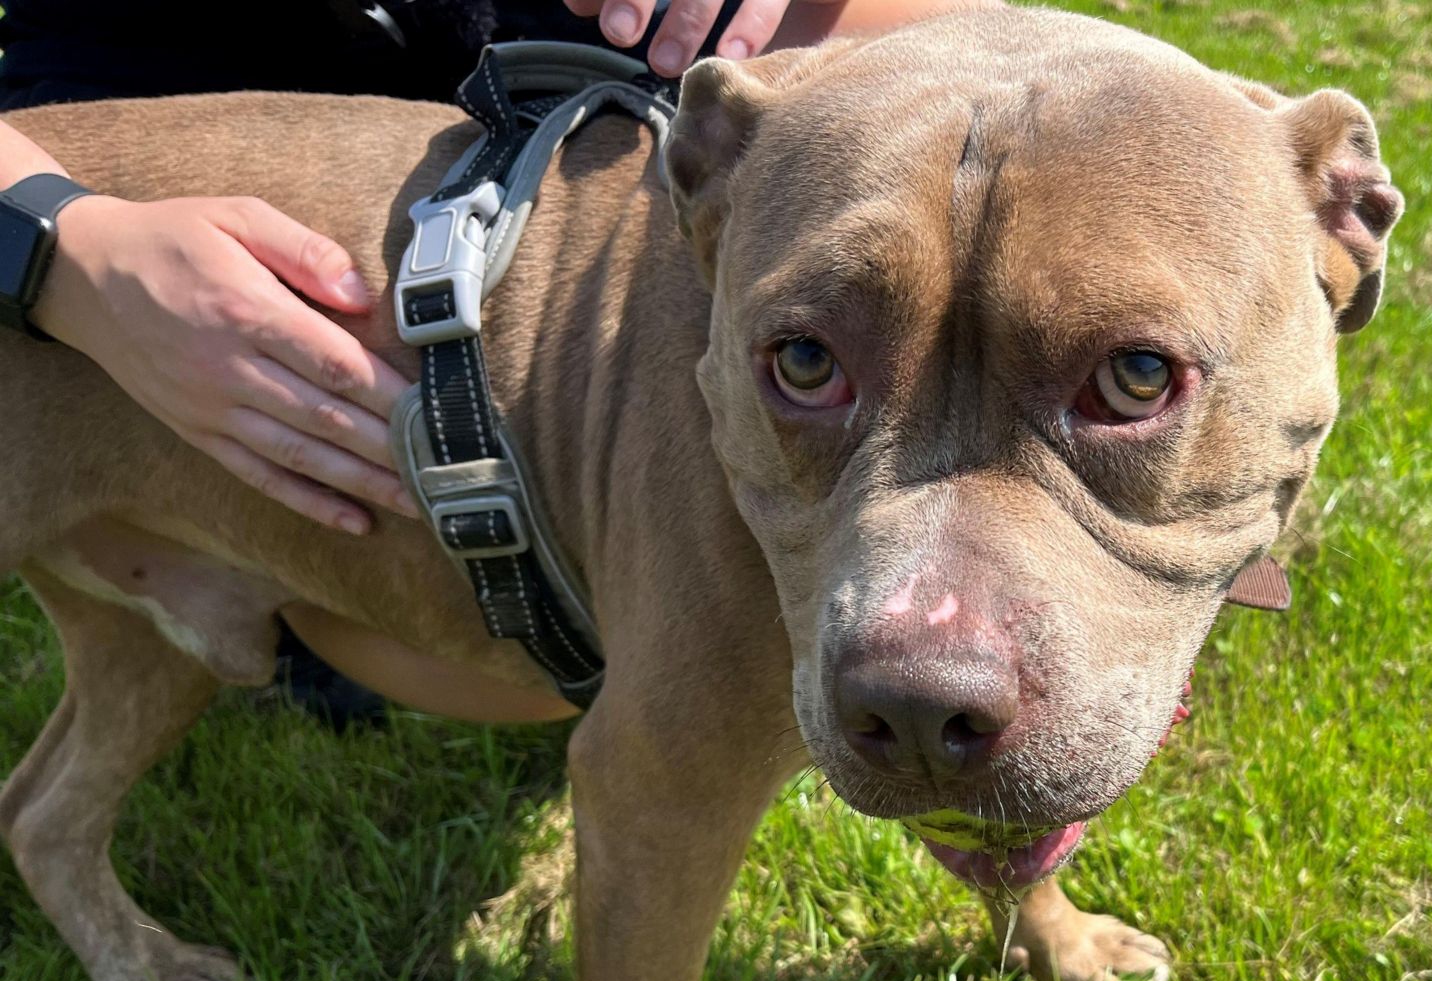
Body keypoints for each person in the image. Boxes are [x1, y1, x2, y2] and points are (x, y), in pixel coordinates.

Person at [0, 0, 980, 726]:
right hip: (156, 172)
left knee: (949, 60)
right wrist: (53, 247)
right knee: (561, 637)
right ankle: (286, 574)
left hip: (558, 82)